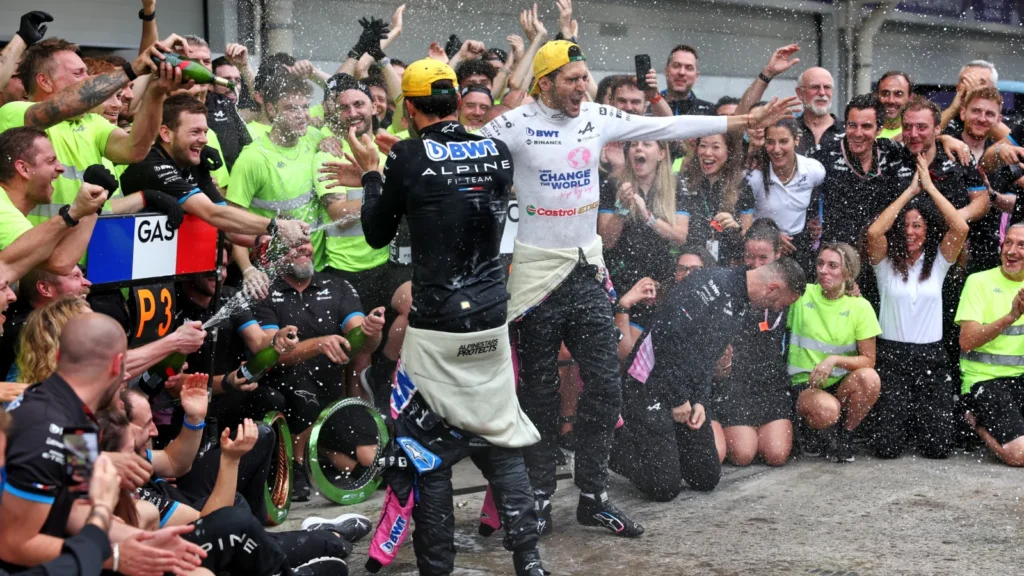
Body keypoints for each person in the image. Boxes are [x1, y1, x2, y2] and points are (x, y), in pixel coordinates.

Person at [479, 38, 799, 537]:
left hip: (585, 271)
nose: (583, 87)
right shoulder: (514, 123)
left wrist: (740, 122)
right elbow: (463, 148)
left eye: (585, 78)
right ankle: (539, 495)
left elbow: (670, 125)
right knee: (537, 395)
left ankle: (593, 495)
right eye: (572, 80)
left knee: (605, 388)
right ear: (545, 84)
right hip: (538, 276)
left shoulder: (596, 116)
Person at [348, 57, 545, 576]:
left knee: (424, 451)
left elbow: (375, 233)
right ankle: (530, 560)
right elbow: (459, 196)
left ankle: (437, 568)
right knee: (501, 438)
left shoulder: (408, 156)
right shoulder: (497, 152)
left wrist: (373, 173)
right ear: (457, 102)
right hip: (489, 319)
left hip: (436, 328)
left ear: (409, 108)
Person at [0, 313, 209, 574]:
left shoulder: (74, 415)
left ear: (58, 358)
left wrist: (139, 540)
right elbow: (13, 545)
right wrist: (116, 556)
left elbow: (77, 505)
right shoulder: (48, 429)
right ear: (118, 366)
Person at [611, 258, 806, 500]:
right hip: (649, 383)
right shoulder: (709, 283)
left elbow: (708, 354)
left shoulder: (742, 301)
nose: (776, 309)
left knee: (705, 477)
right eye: (778, 303)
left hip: (685, 386)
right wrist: (679, 399)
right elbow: (668, 340)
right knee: (663, 488)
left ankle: (664, 450)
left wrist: (701, 401)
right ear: (772, 288)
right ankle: (609, 444)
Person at [0, 36, 188, 225]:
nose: (88, 79)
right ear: (45, 82)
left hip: (91, 250)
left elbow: (135, 149)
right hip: (33, 249)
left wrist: (156, 91)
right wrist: (133, 70)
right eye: (78, 73)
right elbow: (60, 106)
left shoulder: (93, 121)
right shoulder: (14, 113)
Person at [252, 239, 384, 502]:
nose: (303, 249)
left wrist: (370, 331)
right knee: (300, 388)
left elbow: (362, 343)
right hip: (284, 397)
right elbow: (269, 355)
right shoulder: (263, 292)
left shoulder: (337, 286)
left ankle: (319, 448)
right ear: (271, 256)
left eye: (305, 243)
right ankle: (297, 461)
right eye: (292, 245)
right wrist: (319, 344)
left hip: (332, 400)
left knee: (372, 461)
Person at [866, 156, 969, 460]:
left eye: (917, 225)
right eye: (905, 226)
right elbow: (874, 233)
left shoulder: (937, 264)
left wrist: (931, 190)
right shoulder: (885, 266)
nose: (910, 232)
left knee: (938, 449)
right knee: (886, 448)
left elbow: (960, 227)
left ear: (927, 230)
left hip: (931, 358)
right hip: (892, 357)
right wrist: (910, 193)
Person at [0, 403, 138, 576]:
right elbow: (15, 546)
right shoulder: (53, 418)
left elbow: (75, 506)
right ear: (113, 374)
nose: (122, 403)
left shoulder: (68, 414)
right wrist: (102, 512)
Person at [711, 220, 797, 467]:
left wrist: (850, 287)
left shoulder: (789, 287)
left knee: (776, 455)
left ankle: (764, 432)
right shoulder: (732, 285)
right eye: (750, 256)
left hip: (771, 383)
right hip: (736, 384)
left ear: (778, 254)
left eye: (763, 257)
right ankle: (744, 433)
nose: (756, 264)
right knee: (743, 455)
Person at [788, 243, 882, 462]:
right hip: (806, 384)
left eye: (832, 266)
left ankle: (845, 435)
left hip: (838, 381)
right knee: (827, 410)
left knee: (870, 378)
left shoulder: (860, 307)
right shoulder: (803, 293)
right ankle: (812, 431)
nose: (823, 270)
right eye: (820, 263)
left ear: (848, 272)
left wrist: (834, 360)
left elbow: (869, 360)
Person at [956, 223, 1024, 466]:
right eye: (1008, 243)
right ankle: (975, 423)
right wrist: (1010, 317)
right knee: (1020, 455)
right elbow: (966, 341)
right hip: (984, 381)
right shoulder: (979, 282)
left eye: (1021, 245)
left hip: (1020, 380)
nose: (1012, 251)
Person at [599, 140, 686, 328]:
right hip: (622, 282)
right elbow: (607, 241)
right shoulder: (613, 185)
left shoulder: (675, 185)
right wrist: (621, 208)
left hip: (662, 283)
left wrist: (648, 217)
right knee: (624, 349)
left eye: (646, 144)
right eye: (633, 145)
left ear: (661, 154)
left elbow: (680, 237)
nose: (638, 148)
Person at [747, 118, 826, 261]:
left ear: (796, 140)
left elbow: (820, 194)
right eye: (770, 142)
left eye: (783, 141)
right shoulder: (755, 176)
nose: (776, 149)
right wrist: (770, 235)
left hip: (798, 245)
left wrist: (813, 219)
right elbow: (743, 218)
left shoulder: (814, 170)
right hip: (761, 247)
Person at [677, 132, 756, 263]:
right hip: (691, 265)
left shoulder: (742, 187)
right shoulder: (685, 182)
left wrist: (736, 228)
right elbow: (679, 235)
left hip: (727, 266)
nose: (707, 153)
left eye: (715, 147)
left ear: (729, 152)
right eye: (703, 146)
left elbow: (748, 239)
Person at [794, 67, 842, 155]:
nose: (822, 93)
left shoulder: (849, 133)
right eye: (815, 87)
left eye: (827, 87)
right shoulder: (789, 130)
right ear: (800, 93)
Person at [661, 45, 714, 116]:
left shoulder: (709, 111)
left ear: (696, 76)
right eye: (676, 66)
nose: (682, 72)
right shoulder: (648, 106)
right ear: (666, 71)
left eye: (689, 68)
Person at [876, 71, 912, 142]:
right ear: (877, 96)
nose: (891, 100)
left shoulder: (916, 135)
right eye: (885, 93)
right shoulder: (864, 131)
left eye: (898, 94)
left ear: (909, 98)